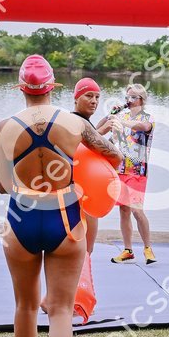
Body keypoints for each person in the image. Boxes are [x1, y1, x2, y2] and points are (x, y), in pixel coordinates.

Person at [0, 56, 121, 337]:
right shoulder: (75, 123)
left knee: (25, 305)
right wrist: (79, 161)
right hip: (65, 219)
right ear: (53, 87)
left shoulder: (3, 127)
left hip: (21, 219)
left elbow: (1, 185)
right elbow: (115, 157)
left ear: (21, 88)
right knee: (62, 308)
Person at [99, 83, 157, 265]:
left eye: (133, 97)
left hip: (138, 171)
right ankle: (128, 250)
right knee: (124, 210)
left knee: (137, 210)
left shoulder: (148, 118)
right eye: (127, 97)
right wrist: (110, 115)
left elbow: (142, 126)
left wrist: (122, 122)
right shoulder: (121, 116)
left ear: (141, 100)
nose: (129, 100)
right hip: (120, 169)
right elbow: (97, 130)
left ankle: (147, 248)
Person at [72, 77, 102, 254]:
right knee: (83, 251)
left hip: (84, 192)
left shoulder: (81, 121)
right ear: (76, 98)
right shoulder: (75, 121)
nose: (94, 101)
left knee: (85, 252)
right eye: (89, 96)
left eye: (97, 97)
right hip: (79, 196)